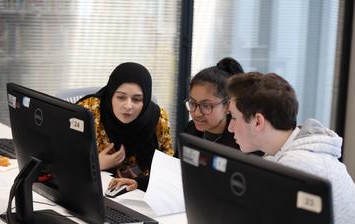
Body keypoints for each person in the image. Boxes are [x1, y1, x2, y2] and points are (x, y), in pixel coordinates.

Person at [226, 72, 355, 224]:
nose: (230, 128)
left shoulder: (298, 166)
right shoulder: (282, 154)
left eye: (234, 118)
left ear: (257, 121)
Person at [77, 62, 174, 192]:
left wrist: (140, 183)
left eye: (137, 99)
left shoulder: (158, 120)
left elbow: (168, 173)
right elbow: (63, 158)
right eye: (121, 97)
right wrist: (95, 164)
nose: (128, 106)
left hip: (137, 197)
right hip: (90, 191)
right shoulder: (90, 111)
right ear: (111, 94)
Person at [184, 57, 246, 149]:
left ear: (228, 105)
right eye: (192, 103)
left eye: (206, 106)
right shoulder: (191, 130)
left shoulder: (244, 142)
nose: (196, 113)